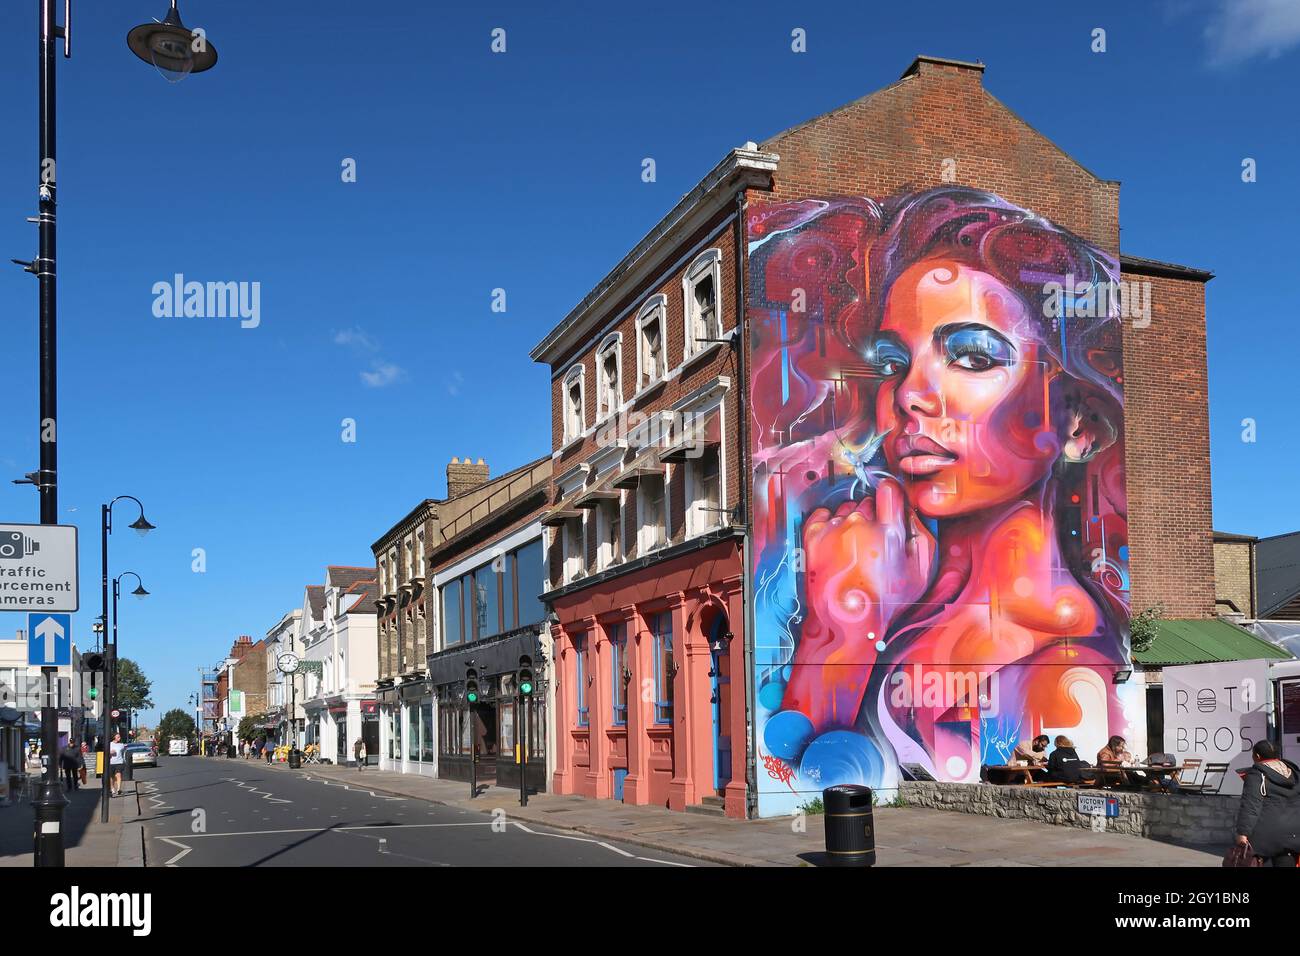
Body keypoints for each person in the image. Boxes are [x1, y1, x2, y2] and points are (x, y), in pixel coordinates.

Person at [758, 188, 1132, 786]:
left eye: (973, 356)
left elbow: (794, 784)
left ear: (1078, 424)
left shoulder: (1059, 676)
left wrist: (841, 631)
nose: (909, 394)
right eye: (891, 362)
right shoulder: (895, 583)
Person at [1234, 740, 1300, 867]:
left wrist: (1243, 832)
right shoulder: (1295, 773)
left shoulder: (1257, 774)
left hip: (1267, 835)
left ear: (1257, 756)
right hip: (1294, 834)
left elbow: (1251, 806)